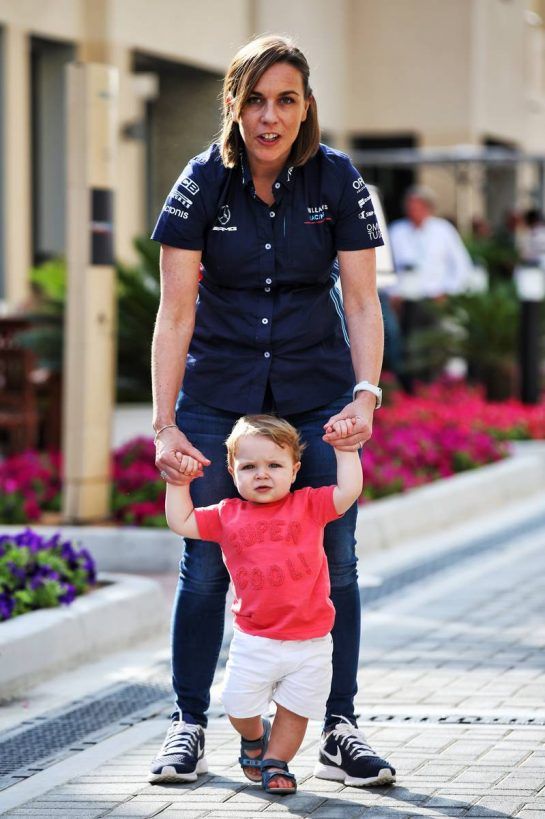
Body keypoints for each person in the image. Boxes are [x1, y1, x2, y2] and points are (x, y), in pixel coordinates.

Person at [149, 33, 395, 788]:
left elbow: (360, 299)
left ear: (305, 106)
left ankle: (338, 724)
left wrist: (364, 394)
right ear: (234, 102)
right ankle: (188, 722)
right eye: (254, 98)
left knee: (333, 561)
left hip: (317, 392)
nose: (269, 115)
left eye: (285, 99)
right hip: (218, 395)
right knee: (205, 566)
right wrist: (164, 424)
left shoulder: (336, 180)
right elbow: (175, 311)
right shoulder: (200, 183)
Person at [164, 414, 363, 793]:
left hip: (311, 640)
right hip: (255, 640)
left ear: (294, 470)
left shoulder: (310, 504)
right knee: (238, 707)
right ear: (231, 470)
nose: (262, 474)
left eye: (274, 465)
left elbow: (348, 491)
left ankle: (277, 763)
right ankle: (255, 739)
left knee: (296, 710)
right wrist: (179, 483)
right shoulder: (226, 514)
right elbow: (182, 521)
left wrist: (346, 450)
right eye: (249, 466)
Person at [389, 185, 473, 297]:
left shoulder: (443, 229)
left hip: (437, 298)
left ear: (428, 208)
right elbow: (387, 268)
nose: (413, 211)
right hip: (403, 298)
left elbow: (462, 264)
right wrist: (392, 292)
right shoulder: (396, 230)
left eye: (418, 207)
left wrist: (448, 291)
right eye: (411, 207)